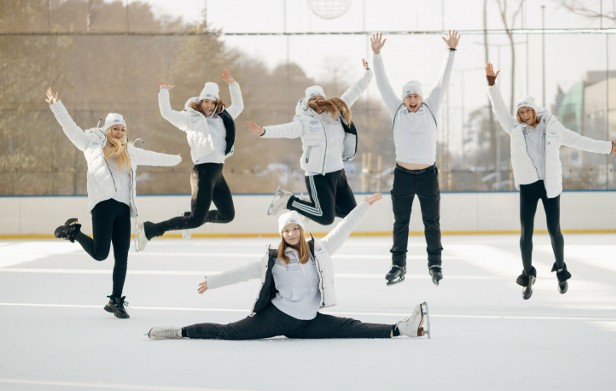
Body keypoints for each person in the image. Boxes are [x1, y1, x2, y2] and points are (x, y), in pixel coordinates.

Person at [147, 193, 430, 340]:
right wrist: (213, 281)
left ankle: (401, 329)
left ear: (301, 230)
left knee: (349, 326)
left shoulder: (320, 250)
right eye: (286, 231)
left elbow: (345, 227)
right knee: (229, 332)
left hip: (307, 321)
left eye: (295, 229)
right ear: (281, 234)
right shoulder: (274, 259)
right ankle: (179, 332)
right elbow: (243, 272)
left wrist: (364, 205)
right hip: (278, 317)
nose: (291, 234)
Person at [485, 63, 616, 300]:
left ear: (535, 110)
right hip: (528, 185)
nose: (524, 116)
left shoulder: (554, 128)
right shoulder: (515, 129)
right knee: (526, 232)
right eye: (520, 113)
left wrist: (607, 147)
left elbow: (580, 141)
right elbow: (498, 109)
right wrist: (492, 85)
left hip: (550, 186)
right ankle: (527, 274)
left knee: (554, 230)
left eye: (527, 111)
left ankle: (560, 268)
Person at [46, 87, 182, 318]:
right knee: (100, 254)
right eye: (115, 128)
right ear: (107, 129)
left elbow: (153, 157)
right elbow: (70, 128)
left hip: (124, 208)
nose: (119, 132)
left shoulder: (130, 150)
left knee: (122, 256)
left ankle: (116, 300)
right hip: (103, 204)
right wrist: (57, 106)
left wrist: (176, 159)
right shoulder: (91, 144)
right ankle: (73, 232)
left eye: (122, 129)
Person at [369, 31, 460, 286]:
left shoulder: (431, 107)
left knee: (432, 222)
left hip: (428, 175)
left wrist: (451, 52)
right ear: (403, 98)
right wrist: (376, 55)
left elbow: (443, 81)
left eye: (415, 96)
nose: (412, 100)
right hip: (403, 176)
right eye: (408, 96)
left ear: (421, 97)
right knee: (401, 222)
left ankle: (435, 263)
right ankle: (398, 264)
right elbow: (382, 83)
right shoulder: (397, 110)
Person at [246, 59, 372, 226]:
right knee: (326, 218)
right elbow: (286, 130)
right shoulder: (304, 121)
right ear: (308, 103)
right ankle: (288, 200)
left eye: (320, 98)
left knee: (351, 213)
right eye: (313, 99)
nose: (318, 101)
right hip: (317, 175)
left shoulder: (336, 112)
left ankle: (311, 205)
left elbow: (355, 91)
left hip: (338, 172)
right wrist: (264, 131)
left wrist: (367, 73)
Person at [136, 69, 244, 250]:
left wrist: (233, 84)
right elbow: (167, 114)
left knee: (227, 215)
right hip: (202, 172)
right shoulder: (190, 119)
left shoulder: (223, 118)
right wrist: (163, 93)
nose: (209, 106)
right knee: (195, 221)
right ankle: (151, 229)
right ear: (200, 103)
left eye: (212, 102)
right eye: (205, 102)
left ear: (217, 103)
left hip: (217, 173)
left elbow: (239, 106)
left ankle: (188, 216)